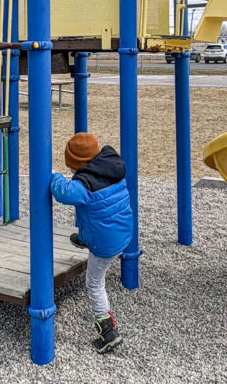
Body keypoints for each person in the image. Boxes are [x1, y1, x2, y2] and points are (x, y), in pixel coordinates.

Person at [49, 133, 133, 354]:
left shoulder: (82, 187)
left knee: (94, 283)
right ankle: (85, 238)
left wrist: (54, 176)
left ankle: (107, 331)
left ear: (75, 165)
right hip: (124, 231)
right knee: (97, 218)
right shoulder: (113, 167)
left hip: (105, 244)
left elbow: (63, 192)